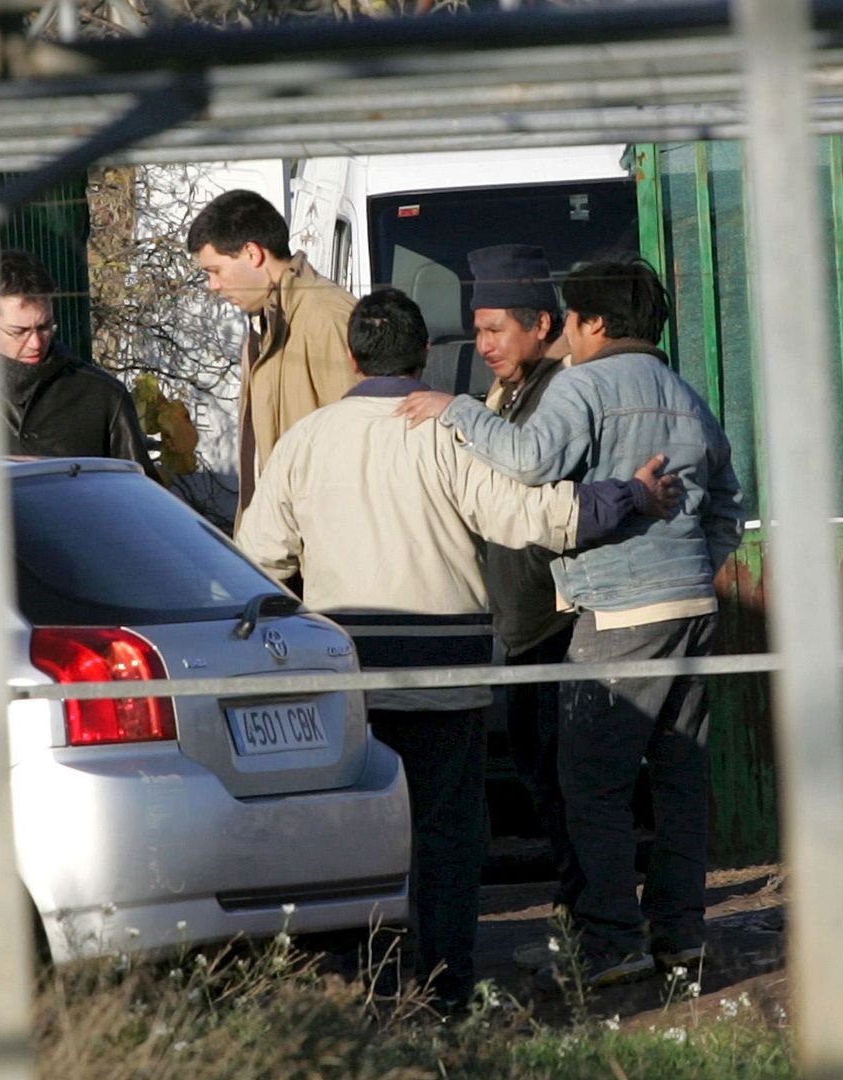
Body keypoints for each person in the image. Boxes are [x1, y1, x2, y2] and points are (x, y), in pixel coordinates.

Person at [234, 288, 678, 1010]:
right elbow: (530, 516)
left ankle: (367, 989)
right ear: (425, 357)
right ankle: (445, 991)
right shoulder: (447, 431)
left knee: (361, 839)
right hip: (447, 678)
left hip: (349, 680)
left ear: (351, 358)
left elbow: (257, 559)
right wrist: (627, 496)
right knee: (447, 839)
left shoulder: (305, 441)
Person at [401, 258, 745, 988]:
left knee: (590, 783)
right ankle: (680, 935)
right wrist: (692, 566)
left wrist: (457, 410)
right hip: (693, 610)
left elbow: (529, 460)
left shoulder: (586, 384)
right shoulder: (686, 395)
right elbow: (728, 505)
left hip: (619, 611)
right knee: (680, 781)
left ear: (592, 324)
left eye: (571, 325)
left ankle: (611, 942)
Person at [463, 243, 583, 932]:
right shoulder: (509, 393)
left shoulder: (562, 391)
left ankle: (589, 911)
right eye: (478, 330)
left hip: (559, 618)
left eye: (495, 329)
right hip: (522, 621)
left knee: (565, 776)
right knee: (542, 772)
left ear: (540, 324)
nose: (483, 345)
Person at [0, 249, 156, 477]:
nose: (35, 343)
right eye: (18, 332)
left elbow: (143, 495)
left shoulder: (103, 397)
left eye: (44, 327)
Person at [187, 189, 356, 518]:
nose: (212, 286)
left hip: (321, 535)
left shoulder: (325, 316)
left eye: (216, 270)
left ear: (252, 253)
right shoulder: (264, 320)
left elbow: (360, 443)